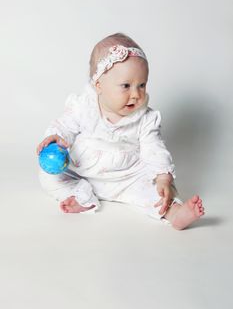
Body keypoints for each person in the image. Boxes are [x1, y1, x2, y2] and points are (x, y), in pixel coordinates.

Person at [36, 32, 205, 230]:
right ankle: (81, 194)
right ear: (99, 85)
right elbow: (65, 124)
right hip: (83, 170)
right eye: (126, 86)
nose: (136, 94)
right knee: (48, 177)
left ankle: (174, 212)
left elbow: (155, 148)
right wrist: (56, 136)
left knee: (156, 192)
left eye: (142, 85)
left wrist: (163, 177)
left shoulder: (146, 119)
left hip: (128, 177)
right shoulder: (84, 106)